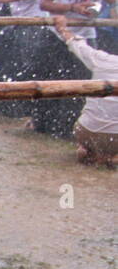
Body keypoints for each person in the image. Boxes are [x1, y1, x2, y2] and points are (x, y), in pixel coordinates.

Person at [36, 0, 117, 137]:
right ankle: (44, 124)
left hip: (87, 34)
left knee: (82, 83)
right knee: (50, 79)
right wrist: (71, 8)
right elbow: (44, 2)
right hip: (57, 32)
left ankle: (71, 127)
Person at [51, 15, 118, 167]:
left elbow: (75, 43)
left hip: (86, 131)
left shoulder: (102, 59)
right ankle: (111, 157)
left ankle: (88, 150)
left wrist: (62, 27)